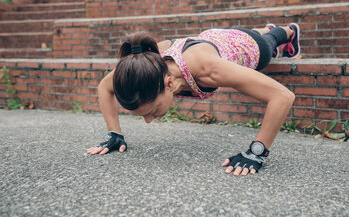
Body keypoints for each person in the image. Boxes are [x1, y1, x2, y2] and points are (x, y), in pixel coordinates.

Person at [86, 23, 300, 177]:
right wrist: (115, 133)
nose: (149, 120)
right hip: (211, 37)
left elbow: (282, 96)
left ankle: (287, 31)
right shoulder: (139, 67)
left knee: (268, 44)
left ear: (169, 84)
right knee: (255, 33)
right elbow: (104, 87)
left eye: (152, 111)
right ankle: (266, 29)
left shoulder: (208, 70)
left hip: (246, 47)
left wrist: (257, 152)